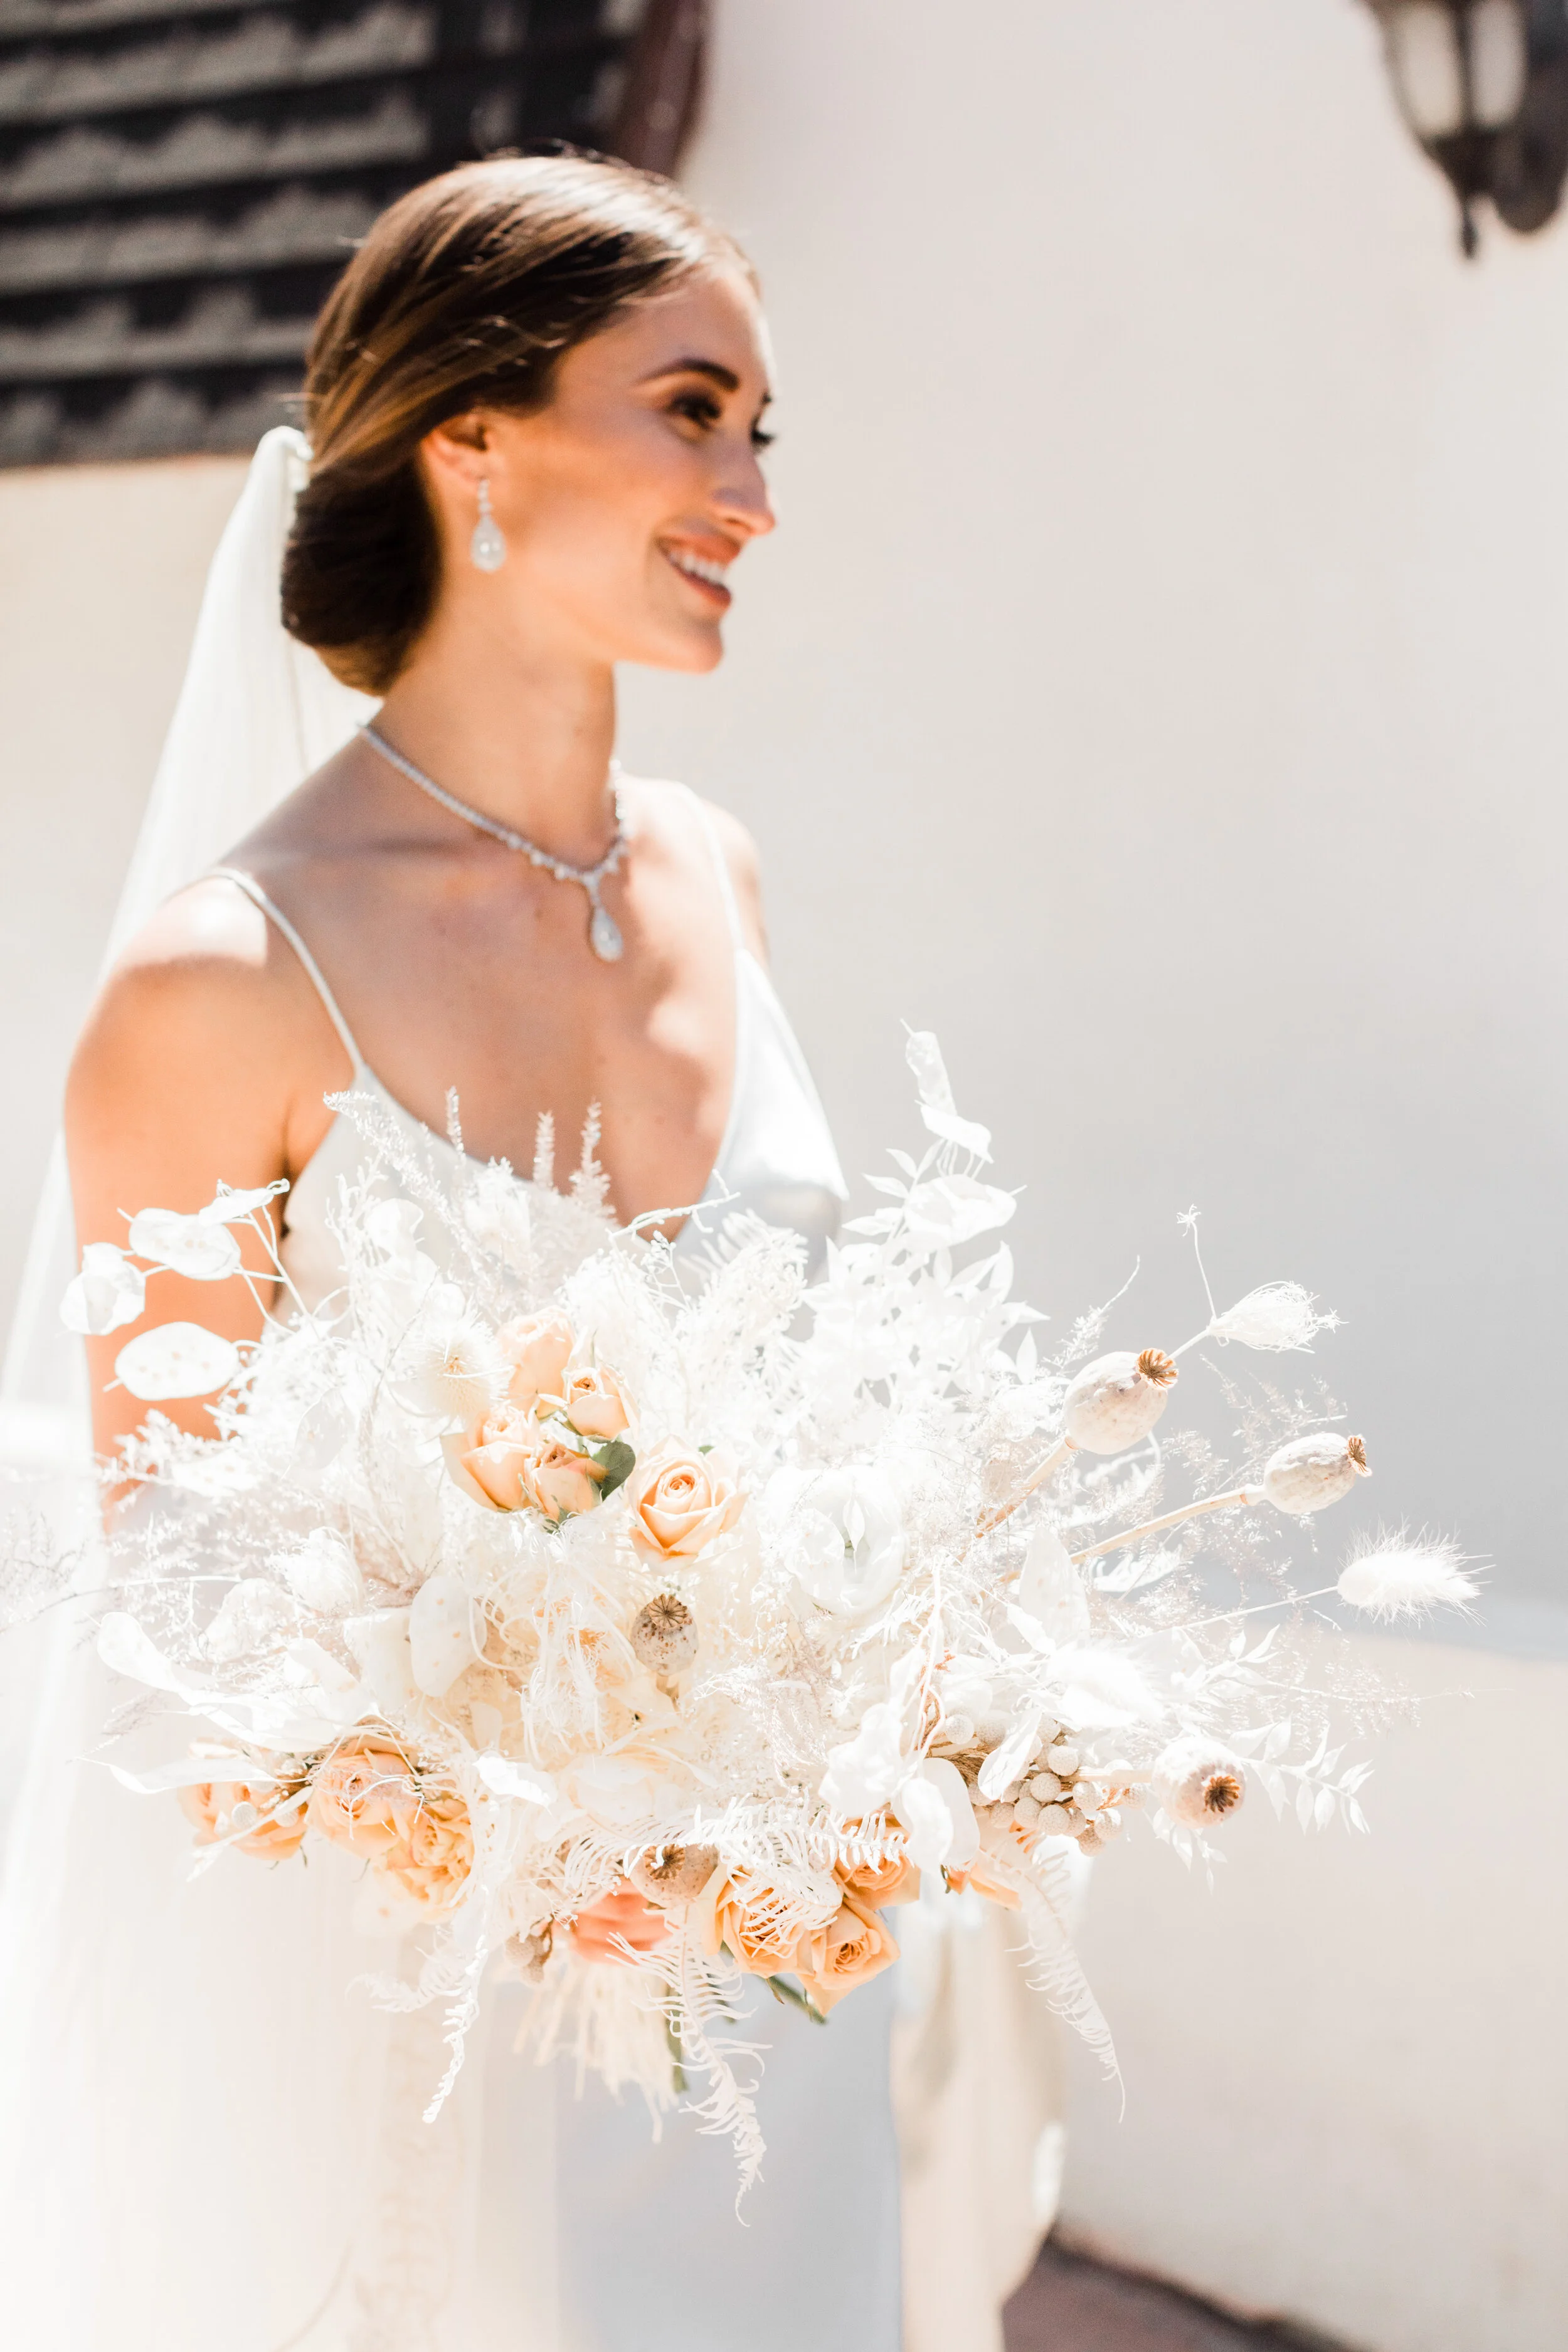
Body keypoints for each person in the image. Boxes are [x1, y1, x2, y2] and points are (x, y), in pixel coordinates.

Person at [0, 156, 1066, 2352]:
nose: (751, 493)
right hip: (449, 2028)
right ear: (467, 441)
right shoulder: (222, 983)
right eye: (690, 411)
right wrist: (527, 1822)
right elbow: (179, 1604)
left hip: (785, 1973)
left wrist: (886, 1697)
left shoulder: (713, 878)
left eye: (759, 428)